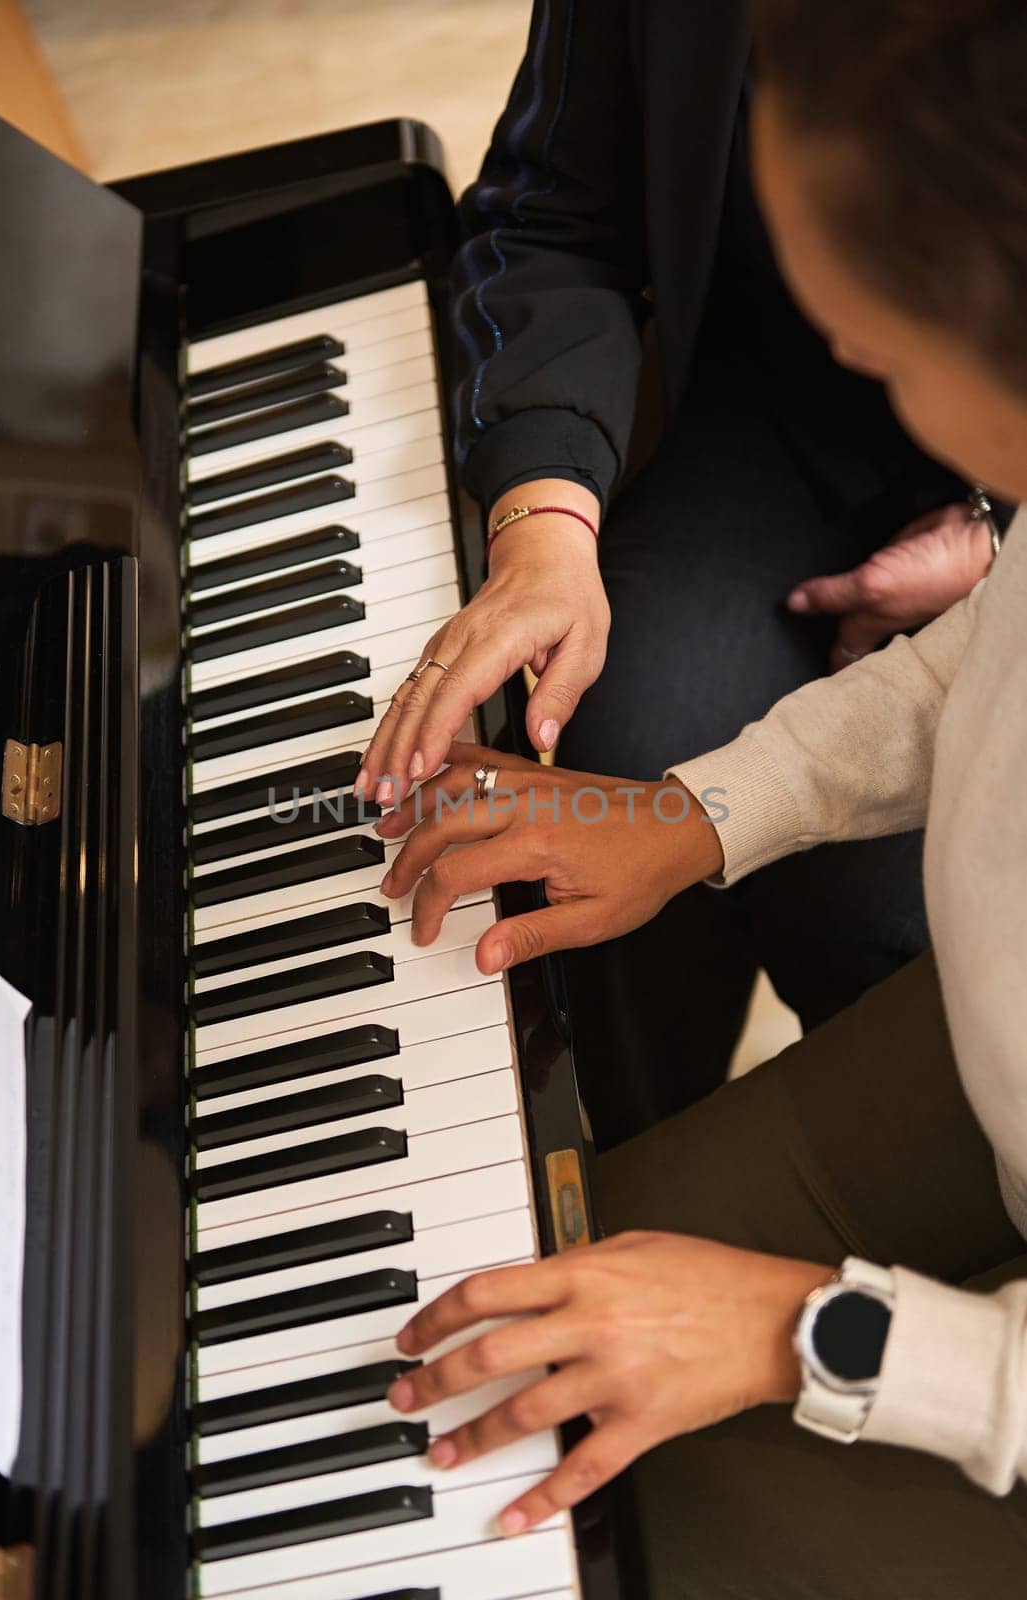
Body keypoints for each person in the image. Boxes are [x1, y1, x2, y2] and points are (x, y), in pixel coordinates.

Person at [372, 1, 1027, 1593]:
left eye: (857, 329)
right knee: (495, 1297)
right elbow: (983, 657)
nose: (833, 348)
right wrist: (697, 810)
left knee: (579, 1526)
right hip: (987, 1093)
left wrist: (798, 1331)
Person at [354, 0, 1005, 1147]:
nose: (849, 332)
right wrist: (545, 511)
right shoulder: (840, 326)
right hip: (770, 419)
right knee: (604, 742)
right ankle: (620, 1145)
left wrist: (998, 542)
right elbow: (550, 207)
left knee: (880, 912)